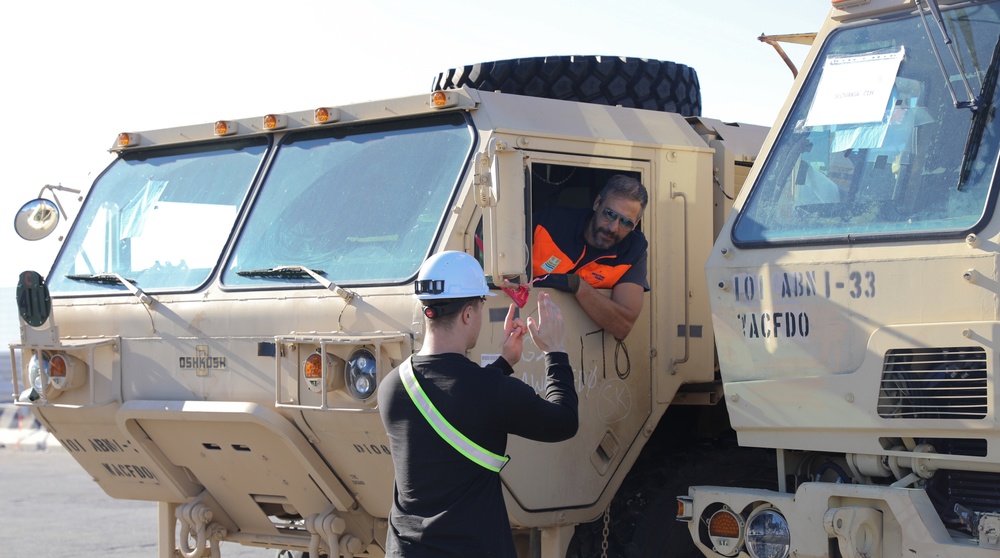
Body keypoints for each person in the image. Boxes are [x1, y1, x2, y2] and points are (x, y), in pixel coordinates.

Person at [377, 250, 578, 557]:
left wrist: (504, 362)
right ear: (468, 314)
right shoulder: (494, 391)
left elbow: (455, 400)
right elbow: (563, 421)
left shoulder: (392, 385)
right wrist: (556, 351)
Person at [532, 174, 649, 340]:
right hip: (527, 335)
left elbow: (622, 326)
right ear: (597, 203)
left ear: (635, 225)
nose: (614, 228)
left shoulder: (633, 249)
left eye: (625, 222)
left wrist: (577, 285)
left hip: (585, 351)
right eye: (609, 214)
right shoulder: (548, 222)